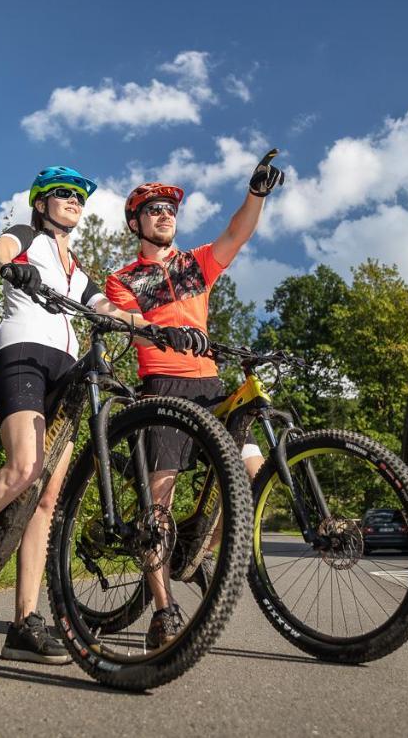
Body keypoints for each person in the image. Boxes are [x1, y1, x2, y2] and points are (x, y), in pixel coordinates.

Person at [0, 166, 186, 664]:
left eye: (80, 196)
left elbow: (107, 308)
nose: (74, 200)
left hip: (66, 369)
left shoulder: (76, 269)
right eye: (64, 194)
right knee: (23, 468)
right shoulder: (28, 236)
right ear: (41, 203)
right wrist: (12, 267)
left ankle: (23, 624)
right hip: (23, 353)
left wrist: (154, 329)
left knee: (47, 498)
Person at [104, 148, 285, 648]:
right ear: (136, 222)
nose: (165, 215)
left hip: (209, 384)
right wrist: (159, 333)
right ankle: (163, 611)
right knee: (156, 501)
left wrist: (256, 194)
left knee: (253, 477)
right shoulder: (123, 278)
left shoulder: (194, 265)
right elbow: (131, 327)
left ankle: (197, 547)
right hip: (162, 384)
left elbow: (236, 234)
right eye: (154, 210)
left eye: (170, 210)